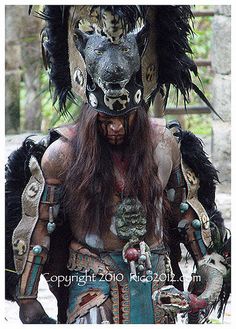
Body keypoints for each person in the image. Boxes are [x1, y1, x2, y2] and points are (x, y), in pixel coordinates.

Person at [5, 5, 230, 324]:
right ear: (89, 116)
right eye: (105, 121)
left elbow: (188, 212)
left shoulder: (164, 144)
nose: (115, 128)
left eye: (125, 120)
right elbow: (38, 226)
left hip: (154, 283)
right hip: (91, 283)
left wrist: (209, 266)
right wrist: (27, 298)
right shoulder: (62, 153)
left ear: (139, 114)